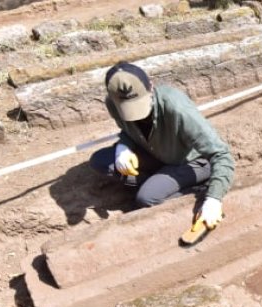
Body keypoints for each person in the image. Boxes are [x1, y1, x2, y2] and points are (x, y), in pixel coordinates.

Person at [89, 62, 234, 230]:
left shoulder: (176, 107)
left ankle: (195, 188)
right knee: (101, 161)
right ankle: (155, 182)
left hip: (191, 161)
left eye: (139, 104)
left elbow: (221, 154)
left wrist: (214, 199)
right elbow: (129, 131)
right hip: (156, 151)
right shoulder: (112, 104)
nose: (136, 114)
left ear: (151, 86)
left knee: (146, 198)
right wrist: (124, 146)